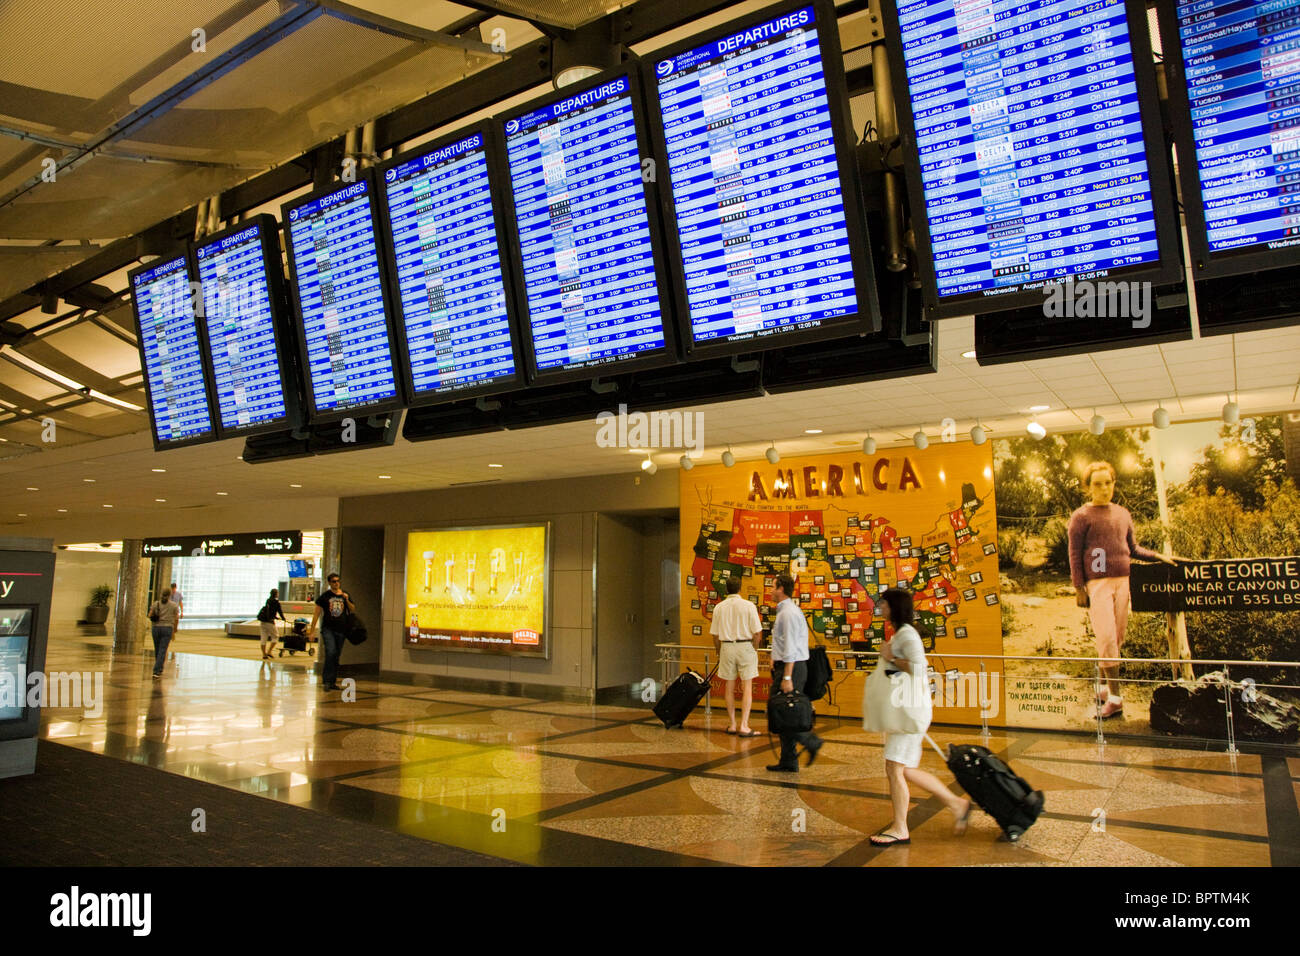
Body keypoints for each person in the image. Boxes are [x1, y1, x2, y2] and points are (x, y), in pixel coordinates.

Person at [1067, 461, 1178, 719]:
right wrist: (1079, 588)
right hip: (1098, 583)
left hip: (1123, 581)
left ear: (1114, 483)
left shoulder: (1122, 513)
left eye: (1108, 483)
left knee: (1116, 638)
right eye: (1097, 484)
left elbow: (1134, 549)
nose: (1104, 489)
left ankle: (1105, 689)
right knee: (1105, 638)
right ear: (1088, 487)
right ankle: (1116, 699)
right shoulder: (1081, 517)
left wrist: (1158, 557)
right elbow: (1074, 554)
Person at [869, 587, 971, 846]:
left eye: (884, 603)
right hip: (908, 708)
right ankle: (957, 805)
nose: (880, 607)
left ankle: (900, 828)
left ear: (894, 607)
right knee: (908, 770)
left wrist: (891, 657)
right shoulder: (901, 634)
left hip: (910, 711)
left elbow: (919, 667)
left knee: (893, 766)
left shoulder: (907, 635)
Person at [766, 571, 823, 772]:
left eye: (773, 586)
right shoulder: (787, 610)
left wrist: (787, 676)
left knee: (780, 710)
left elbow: (790, 646)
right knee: (784, 711)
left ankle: (811, 741)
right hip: (789, 665)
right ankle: (789, 760)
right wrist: (775, 657)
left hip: (792, 668)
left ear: (781, 589)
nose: (770, 591)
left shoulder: (788, 613)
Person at [710, 574, 762, 737]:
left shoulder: (719, 607)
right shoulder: (748, 606)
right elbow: (757, 632)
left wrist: (718, 650)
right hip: (745, 645)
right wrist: (755, 648)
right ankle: (744, 725)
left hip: (726, 647)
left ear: (726, 589)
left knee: (729, 687)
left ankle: (732, 724)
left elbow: (715, 635)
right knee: (747, 686)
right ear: (740, 588)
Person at [308, 573, 353, 692]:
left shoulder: (344, 595)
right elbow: (316, 613)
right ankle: (327, 680)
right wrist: (312, 631)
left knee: (336, 655)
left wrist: (347, 599)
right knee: (331, 652)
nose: (336, 583)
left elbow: (352, 609)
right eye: (334, 581)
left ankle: (332, 681)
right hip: (328, 629)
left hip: (341, 629)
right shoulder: (325, 596)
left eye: (338, 581)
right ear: (329, 583)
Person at [147, 587, 179, 680]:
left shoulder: (155, 604)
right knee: (162, 649)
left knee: (157, 649)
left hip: (156, 628)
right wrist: (175, 630)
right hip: (167, 628)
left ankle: (159, 668)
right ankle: (156, 671)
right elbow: (176, 618)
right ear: (170, 595)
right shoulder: (174, 605)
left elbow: (150, 615)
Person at [257, 588, 287, 660]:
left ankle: (264, 654)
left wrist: (275, 617)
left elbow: (268, 611)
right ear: (276, 594)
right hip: (270, 622)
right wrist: (283, 618)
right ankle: (269, 651)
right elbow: (279, 611)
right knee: (276, 636)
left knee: (263, 638)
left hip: (263, 621)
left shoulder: (268, 601)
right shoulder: (276, 602)